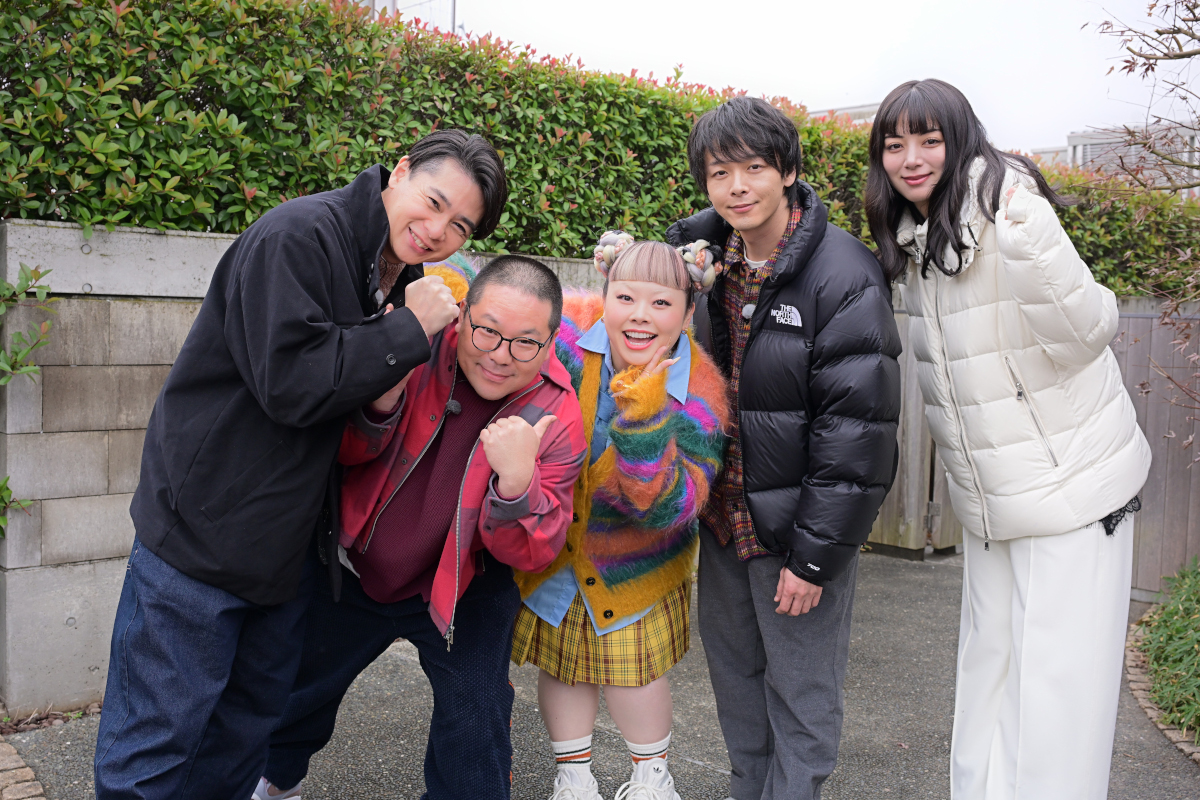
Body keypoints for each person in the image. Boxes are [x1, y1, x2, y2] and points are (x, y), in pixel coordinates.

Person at [94, 130, 508, 800]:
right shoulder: (300, 235)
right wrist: (406, 331)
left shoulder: (402, 277)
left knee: (240, 736)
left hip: (288, 550)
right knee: (156, 745)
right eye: (434, 203)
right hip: (201, 534)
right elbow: (287, 383)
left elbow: (359, 414)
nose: (438, 231)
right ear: (400, 171)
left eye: (460, 226)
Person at [865, 78, 1152, 799]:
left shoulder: (1010, 211)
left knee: (1058, 695)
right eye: (895, 144)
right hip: (994, 503)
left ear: (960, 139)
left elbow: (1087, 333)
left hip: (1072, 489)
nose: (910, 158)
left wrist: (1032, 236)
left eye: (929, 139)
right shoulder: (919, 236)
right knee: (989, 676)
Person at [255, 255, 588, 800]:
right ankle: (272, 782)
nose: (500, 356)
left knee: (476, 719)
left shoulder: (557, 412)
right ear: (463, 313)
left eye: (525, 343)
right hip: (355, 563)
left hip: (466, 585)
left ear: (551, 342)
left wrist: (517, 484)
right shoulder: (416, 343)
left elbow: (534, 552)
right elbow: (336, 452)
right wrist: (380, 400)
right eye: (486, 331)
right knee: (296, 687)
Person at [664, 96, 903, 800]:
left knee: (801, 699)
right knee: (737, 690)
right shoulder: (701, 262)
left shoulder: (844, 272)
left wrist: (814, 558)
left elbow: (857, 432)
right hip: (724, 521)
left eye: (753, 168)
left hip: (795, 531)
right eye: (719, 173)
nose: (736, 187)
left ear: (788, 171)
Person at [510, 237, 730, 800]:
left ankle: (652, 779)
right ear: (604, 295)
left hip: (636, 567)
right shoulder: (566, 336)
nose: (639, 315)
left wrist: (644, 415)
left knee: (636, 674)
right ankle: (574, 779)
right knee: (564, 667)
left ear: (687, 311)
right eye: (625, 297)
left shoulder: (701, 388)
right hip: (556, 554)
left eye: (661, 303)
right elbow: (503, 316)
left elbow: (668, 507)